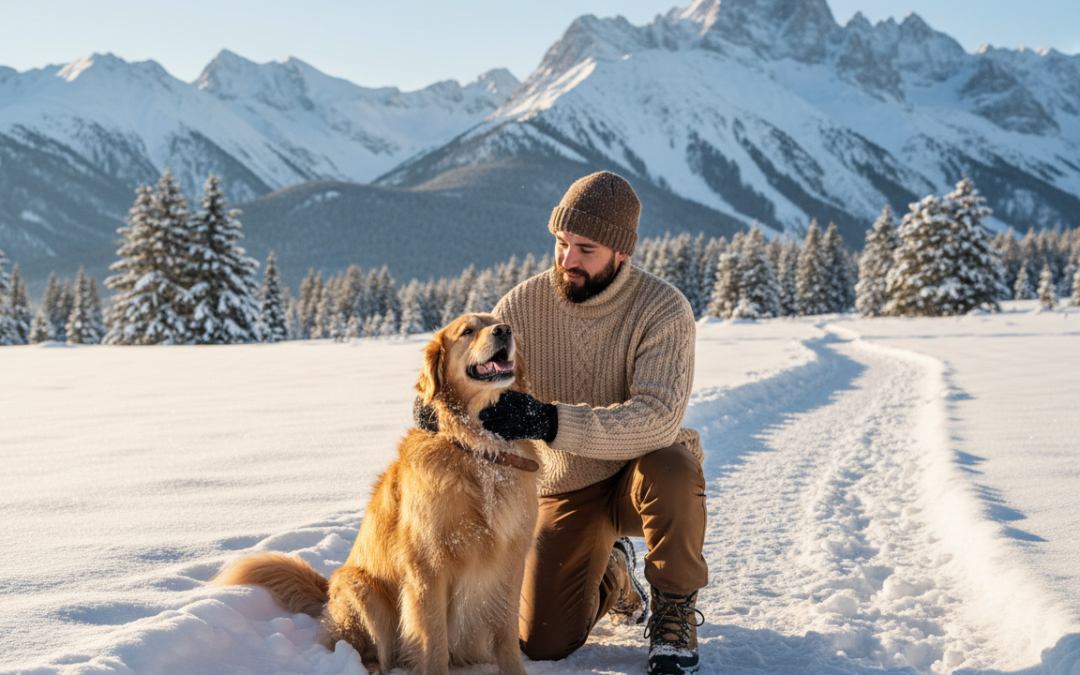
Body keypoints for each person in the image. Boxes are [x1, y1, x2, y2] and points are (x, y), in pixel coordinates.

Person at [418, 171, 707, 675]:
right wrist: (438, 404)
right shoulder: (521, 307)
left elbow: (658, 419)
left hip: (643, 472)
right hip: (566, 484)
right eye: (561, 243)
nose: (567, 260)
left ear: (622, 253)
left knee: (675, 468)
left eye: (586, 249)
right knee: (544, 642)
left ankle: (674, 612)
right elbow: (475, 371)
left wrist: (548, 421)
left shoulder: (663, 310)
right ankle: (613, 573)